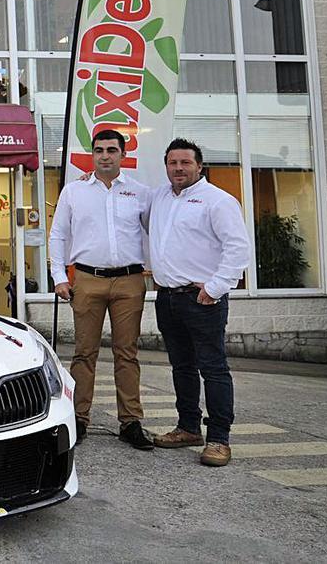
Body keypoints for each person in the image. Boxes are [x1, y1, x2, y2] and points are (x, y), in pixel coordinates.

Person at [49, 129, 154, 450]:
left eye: (111, 150)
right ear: (92, 154)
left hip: (129, 281)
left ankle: (131, 422)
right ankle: (78, 419)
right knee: (84, 353)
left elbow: (158, 233)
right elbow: (58, 236)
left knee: (127, 353)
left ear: (123, 154)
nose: (105, 155)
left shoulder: (140, 193)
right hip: (87, 280)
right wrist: (58, 277)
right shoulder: (74, 192)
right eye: (99, 150)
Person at [148, 138, 249, 467]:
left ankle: (219, 438)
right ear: (166, 166)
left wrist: (216, 287)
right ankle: (188, 427)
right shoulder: (160, 197)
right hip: (168, 298)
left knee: (214, 369)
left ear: (199, 166)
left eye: (185, 162)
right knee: (182, 367)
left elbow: (237, 248)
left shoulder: (217, 201)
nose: (178, 168)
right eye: (172, 162)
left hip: (202, 299)